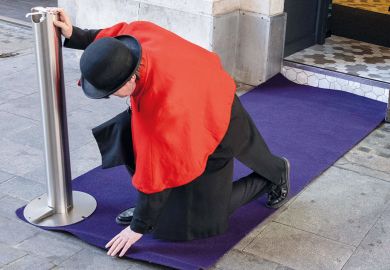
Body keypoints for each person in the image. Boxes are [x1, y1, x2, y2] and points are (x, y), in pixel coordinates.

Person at [52, 8, 291, 258]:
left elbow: (155, 168)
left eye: (110, 91)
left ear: (129, 81)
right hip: (194, 96)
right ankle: (153, 208)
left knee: (202, 217)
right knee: (127, 132)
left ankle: (274, 175)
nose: (109, 97)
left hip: (217, 104)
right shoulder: (137, 36)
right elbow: (110, 41)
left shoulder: (161, 111)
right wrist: (74, 34)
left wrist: (138, 227)